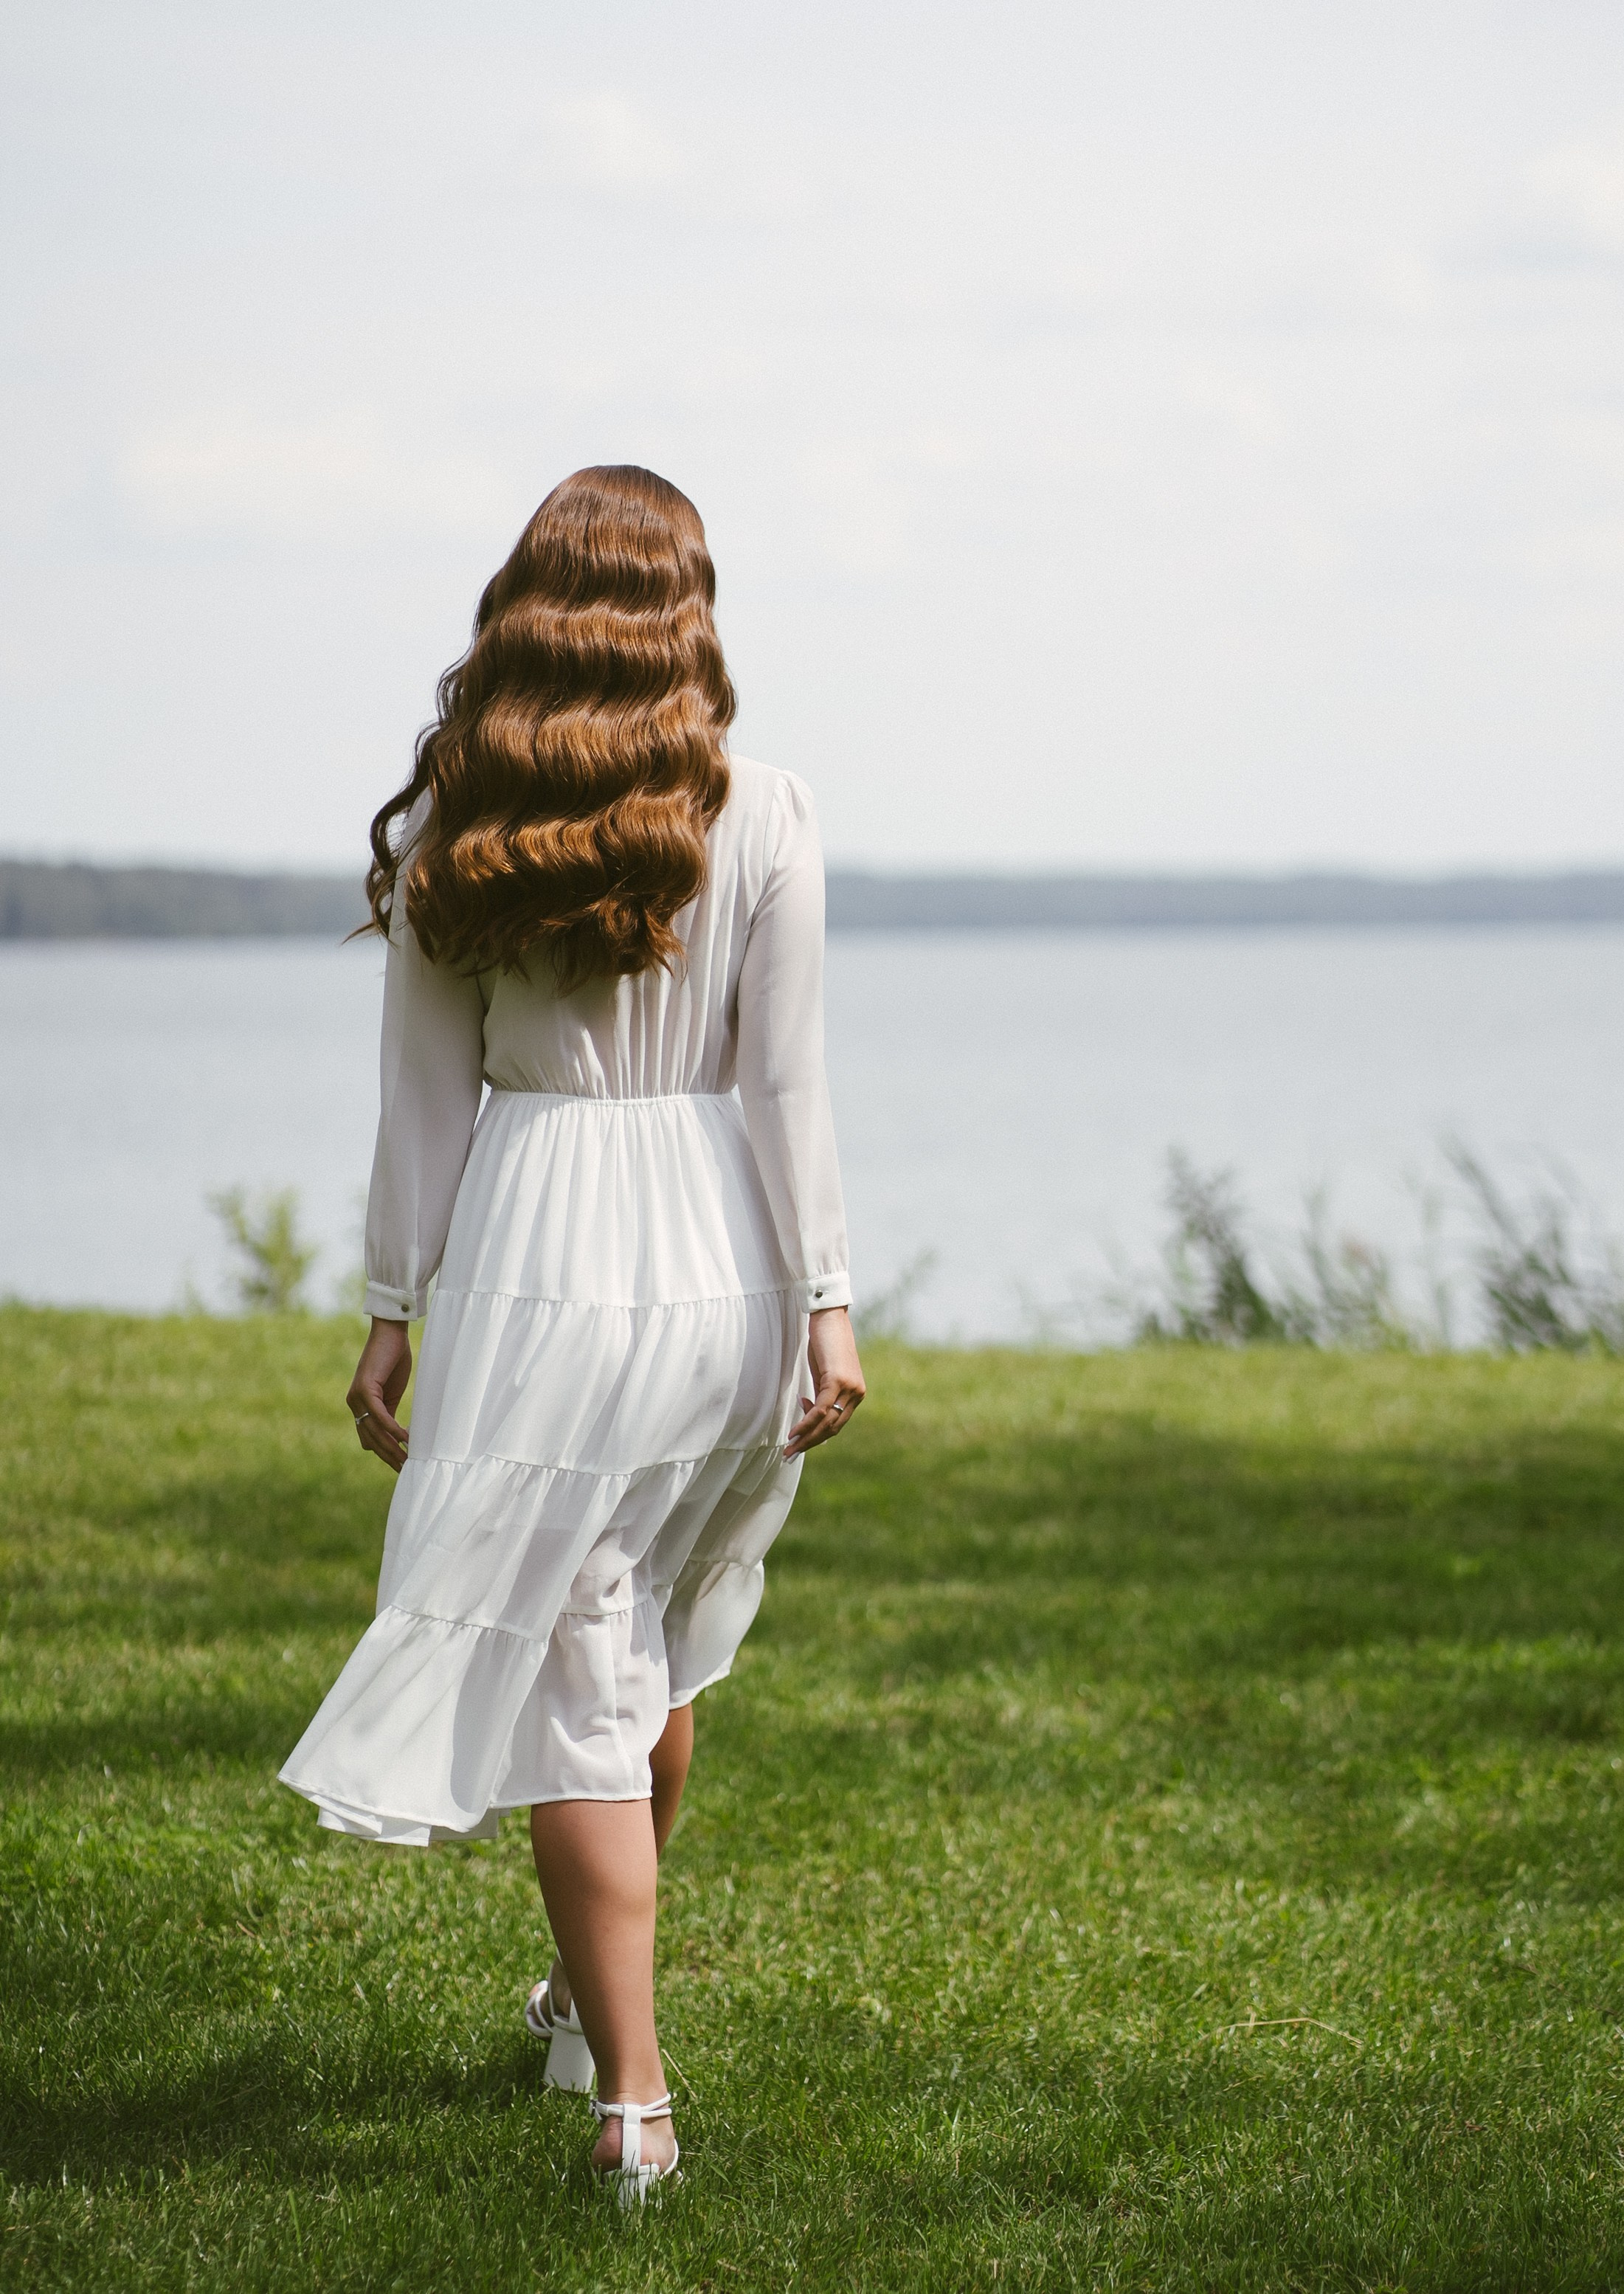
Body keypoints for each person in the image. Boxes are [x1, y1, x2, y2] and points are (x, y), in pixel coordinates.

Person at [279, 465, 865, 2202]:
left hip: (546, 1251)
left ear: (522, 615)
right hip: (721, 1254)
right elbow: (787, 1081)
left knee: (581, 1655)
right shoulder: (765, 808)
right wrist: (824, 1292)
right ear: (687, 614)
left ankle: (631, 2097)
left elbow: (424, 1099)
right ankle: (581, 2018)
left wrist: (395, 1302)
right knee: (644, 1636)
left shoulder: (469, 818)